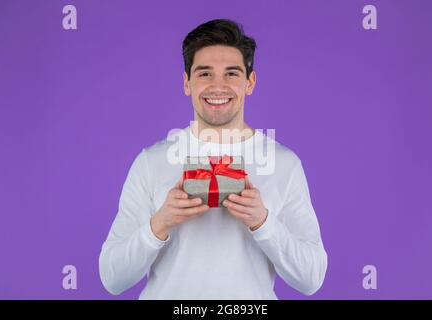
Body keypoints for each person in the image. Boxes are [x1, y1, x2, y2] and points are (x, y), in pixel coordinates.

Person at [99, 19, 327, 299]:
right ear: (187, 83)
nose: (218, 86)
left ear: (250, 82)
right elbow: (112, 279)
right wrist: (160, 223)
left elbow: (311, 279)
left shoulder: (284, 164)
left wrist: (263, 222)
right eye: (205, 74)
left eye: (231, 73)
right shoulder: (151, 162)